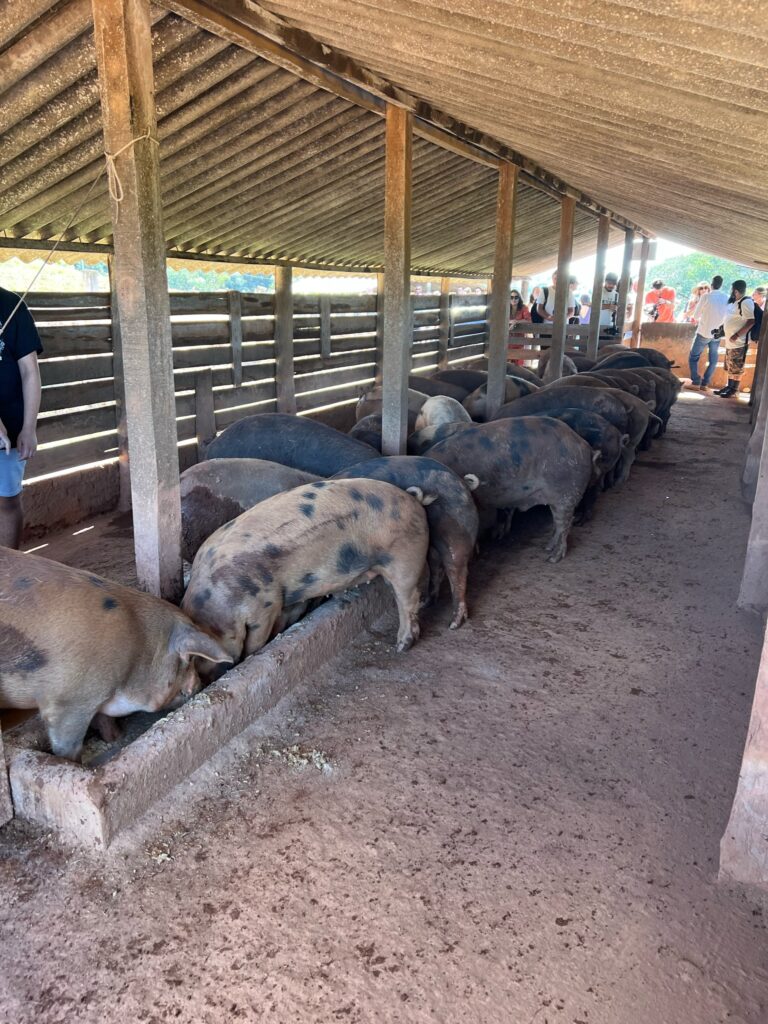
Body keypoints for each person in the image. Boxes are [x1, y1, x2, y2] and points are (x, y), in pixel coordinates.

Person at [0, 287, 43, 548]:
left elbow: (30, 371)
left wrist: (29, 427)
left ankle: (6, 577)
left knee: (7, 501)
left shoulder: (11, 305)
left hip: (11, 428)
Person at [685, 275, 727, 391]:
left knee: (693, 357)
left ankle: (696, 381)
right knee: (713, 360)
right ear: (721, 285)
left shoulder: (706, 297)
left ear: (711, 284)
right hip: (717, 333)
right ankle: (705, 384)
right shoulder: (726, 298)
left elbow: (696, 315)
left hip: (704, 331)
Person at [715, 280, 755, 398]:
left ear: (735, 290)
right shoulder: (734, 302)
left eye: (732, 290)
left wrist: (737, 334)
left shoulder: (746, 302)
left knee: (737, 367)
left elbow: (751, 321)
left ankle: (734, 389)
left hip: (739, 342)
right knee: (731, 366)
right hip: (730, 341)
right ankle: (729, 386)